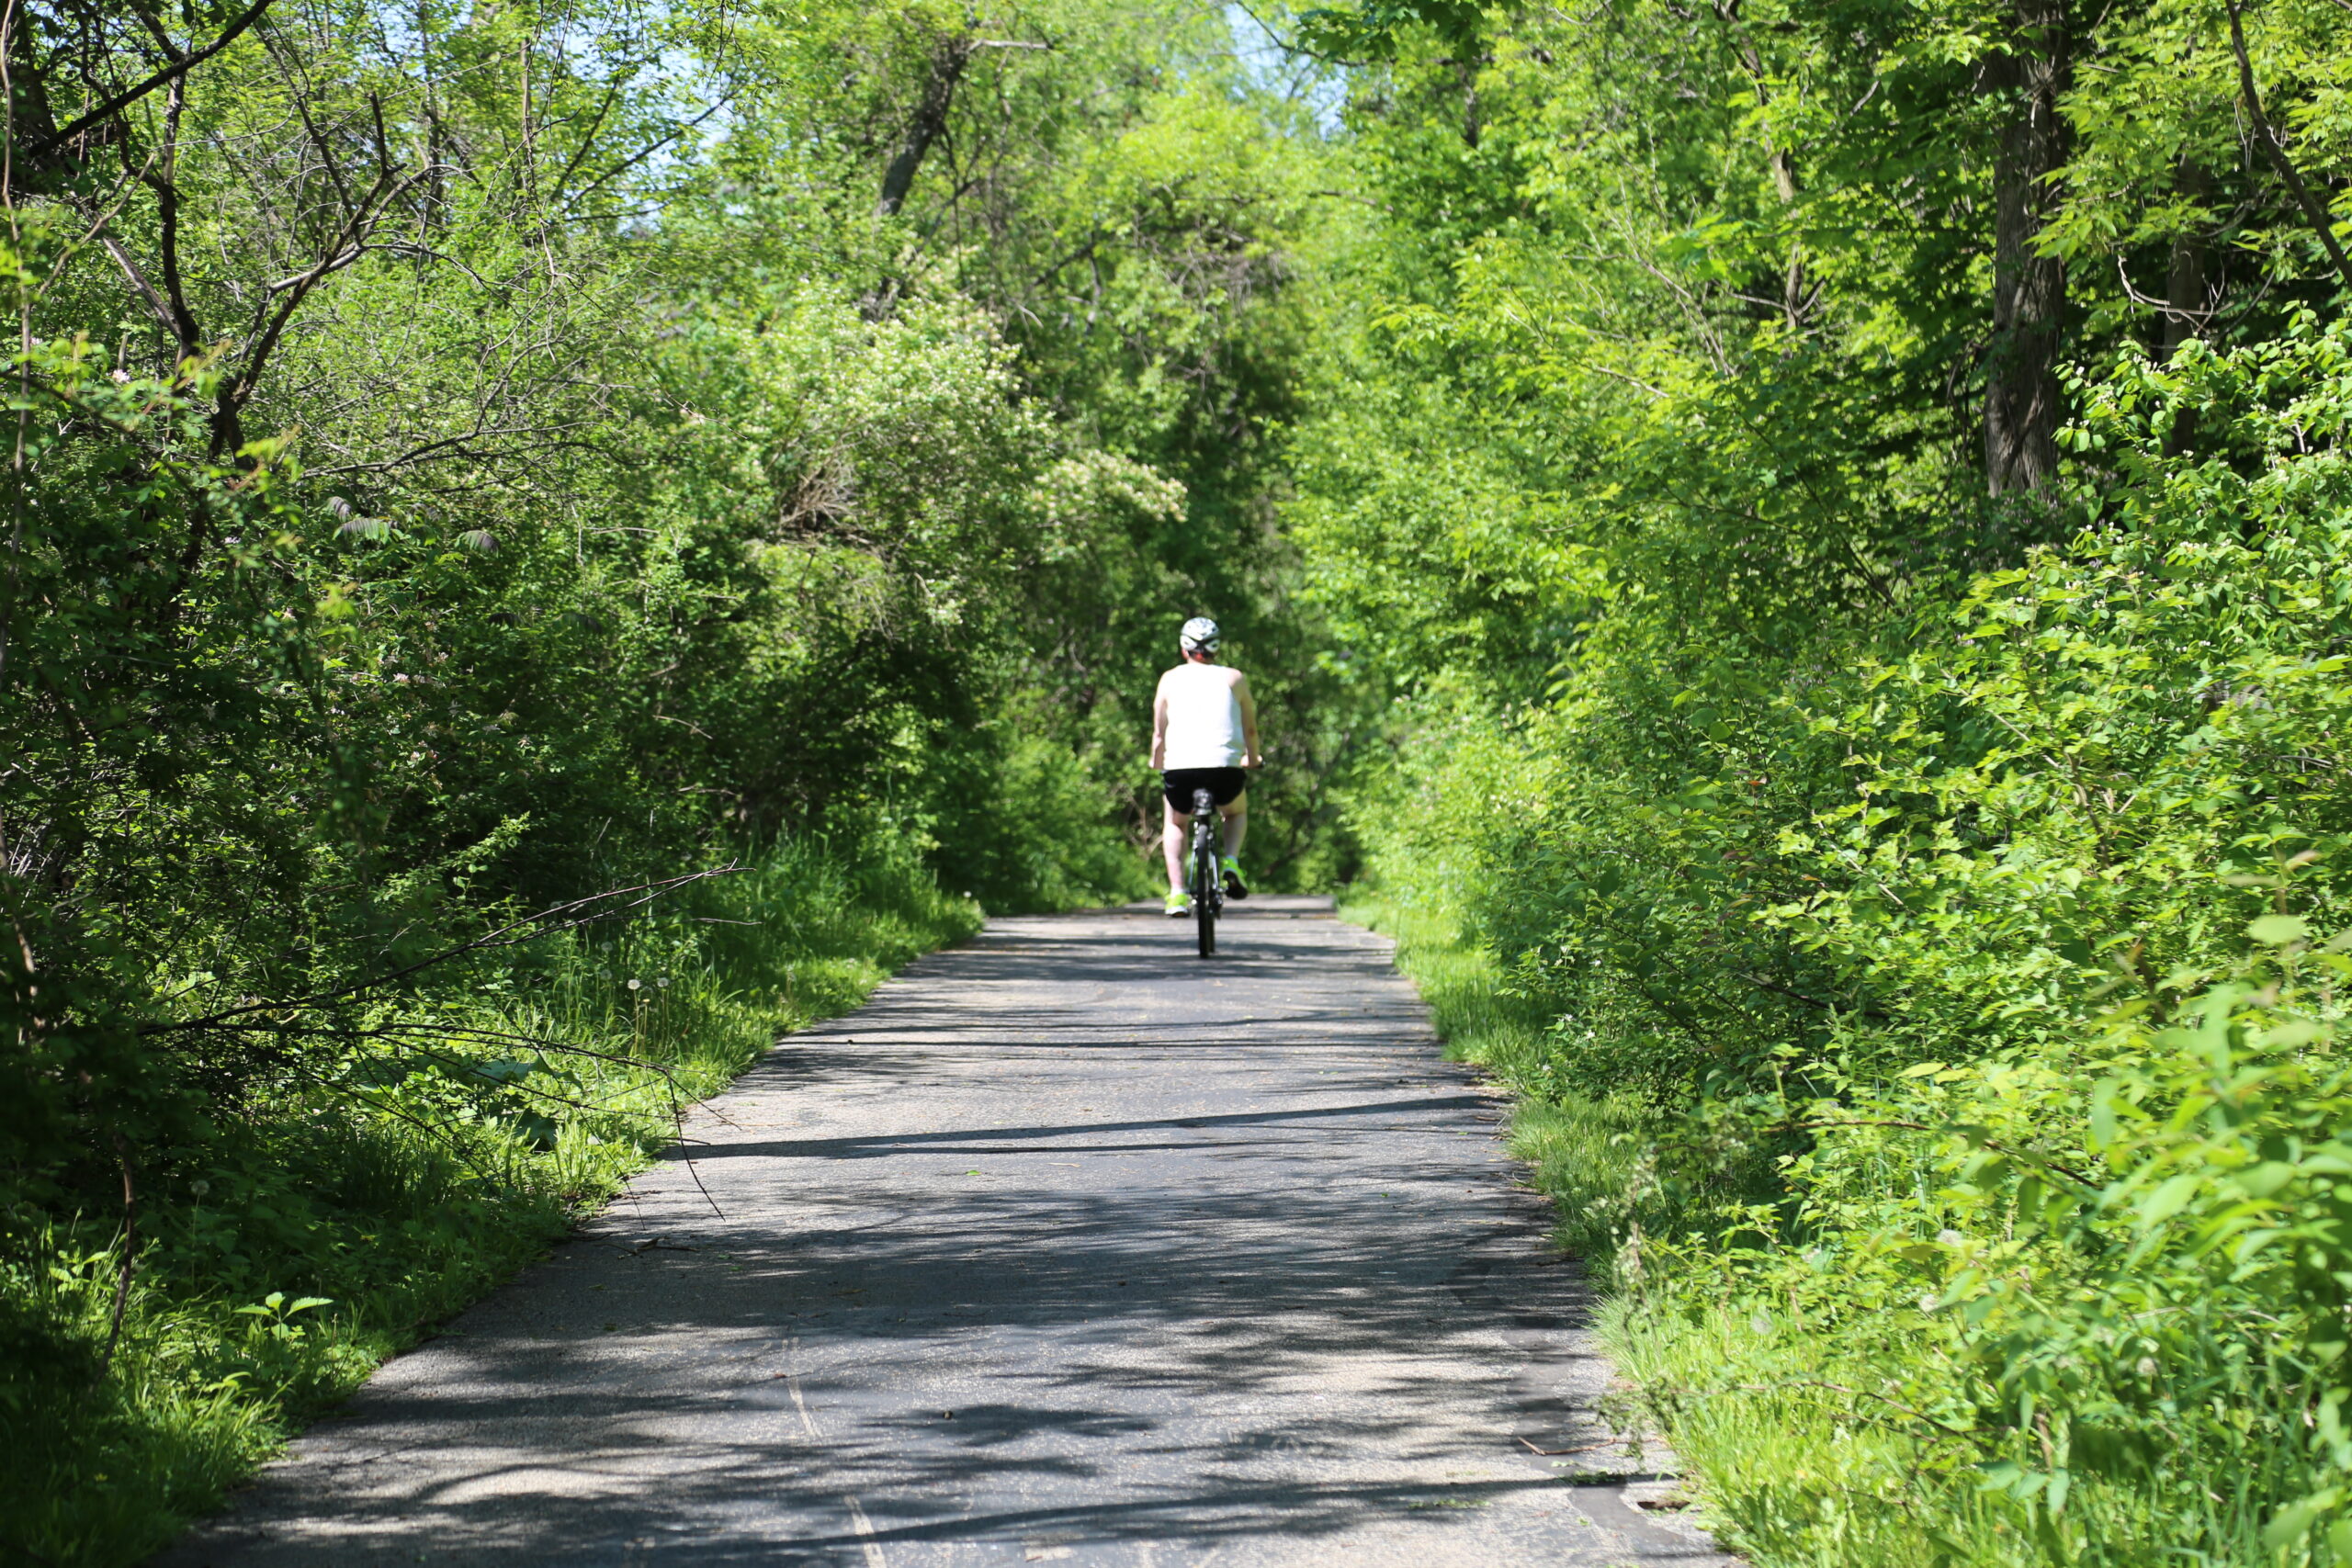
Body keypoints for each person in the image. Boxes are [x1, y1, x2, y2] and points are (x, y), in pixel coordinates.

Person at [1150, 615, 1261, 918]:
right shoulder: (1234, 678)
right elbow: (1250, 730)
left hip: (1180, 771)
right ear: (1217, 648)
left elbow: (1159, 733)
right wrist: (1252, 758)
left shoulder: (1169, 678)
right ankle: (1231, 861)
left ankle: (1176, 894)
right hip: (1225, 771)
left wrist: (1156, 761)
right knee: (1235, 811)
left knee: (1175, 822)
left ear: (1184, 648)